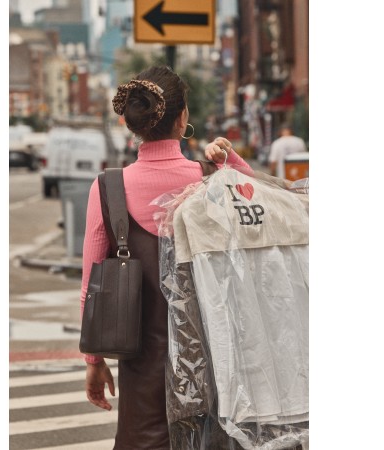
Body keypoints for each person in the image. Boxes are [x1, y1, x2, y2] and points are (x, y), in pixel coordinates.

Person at [80, 65, 252, 449]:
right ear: (182, 116)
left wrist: (94, 362)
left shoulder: (108, 188)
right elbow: (258, 215)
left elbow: (91, 289)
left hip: (143, 371)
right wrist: (230, 160)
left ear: (133, 121)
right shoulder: (212, 178)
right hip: (216, 368)